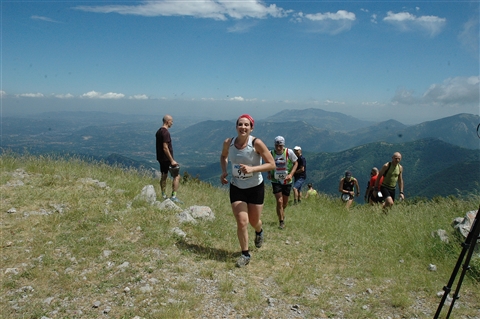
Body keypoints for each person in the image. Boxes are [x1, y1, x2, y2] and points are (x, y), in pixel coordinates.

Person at [220, 114, 275, 268]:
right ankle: (245, 254)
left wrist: (253, 168)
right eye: (240, 124)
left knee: (253, 221)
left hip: (255, 187)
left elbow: (272, 164)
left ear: (251, 128)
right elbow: (223, 156)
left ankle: (259, 231)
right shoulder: (228, 143)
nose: (243, 127)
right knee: (242, 221)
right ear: (236, 126)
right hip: (237, 186)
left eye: (246, 125)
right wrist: (224, 171)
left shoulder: (256, 143)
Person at [267, 136, 298, 229]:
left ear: (283, 145)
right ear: (274, 145)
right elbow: (267, 163)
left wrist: (291, 174)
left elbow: (296, 163)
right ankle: (281, 222)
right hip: (275, 180)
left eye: (280, 145)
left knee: (284, 203)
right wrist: (269, 173)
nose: (278, 147)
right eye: (277, 145)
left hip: (287, 181)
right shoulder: (271, 153)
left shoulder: (289, 152)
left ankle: (281, 213)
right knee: (279, 201)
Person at [156, 114, 182, 203]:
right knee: (177, 176)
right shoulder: (166, 132)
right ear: (167, 121)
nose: (172, 123)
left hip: (160, 158)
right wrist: (172, 160)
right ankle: (174, 196)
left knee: (164, 176)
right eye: (171, 121)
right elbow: (165, 147)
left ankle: (163, 194)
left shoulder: (159, 131)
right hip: (167, 159)